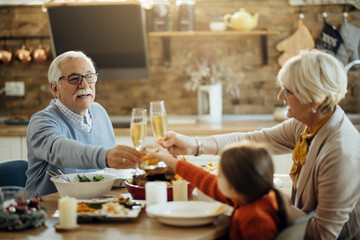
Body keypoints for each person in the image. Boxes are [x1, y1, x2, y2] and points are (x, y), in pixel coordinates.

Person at [160, 49, 360, 239]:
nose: (280, 97)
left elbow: (322, 234)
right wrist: (194, 145)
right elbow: (255, 140)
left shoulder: (341, 153)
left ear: (314, 100)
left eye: (288, 91)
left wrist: (272, 200)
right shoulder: (307, 124)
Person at [25, 51, 141, 198]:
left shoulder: (99, 112)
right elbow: (59, 149)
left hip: (94, 205)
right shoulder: (41, 122)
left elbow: (107, 173)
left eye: (89, 77)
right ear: (55, 88)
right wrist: (106, 157)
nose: (84, 85)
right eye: (74, 79)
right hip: (49, 210)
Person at [152, 141, 288, 240]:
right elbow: (202, 178)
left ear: (235, 182)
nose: (216, 178)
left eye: (220, 175)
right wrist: (167, 159)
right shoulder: (245, 197)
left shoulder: (256, 219)